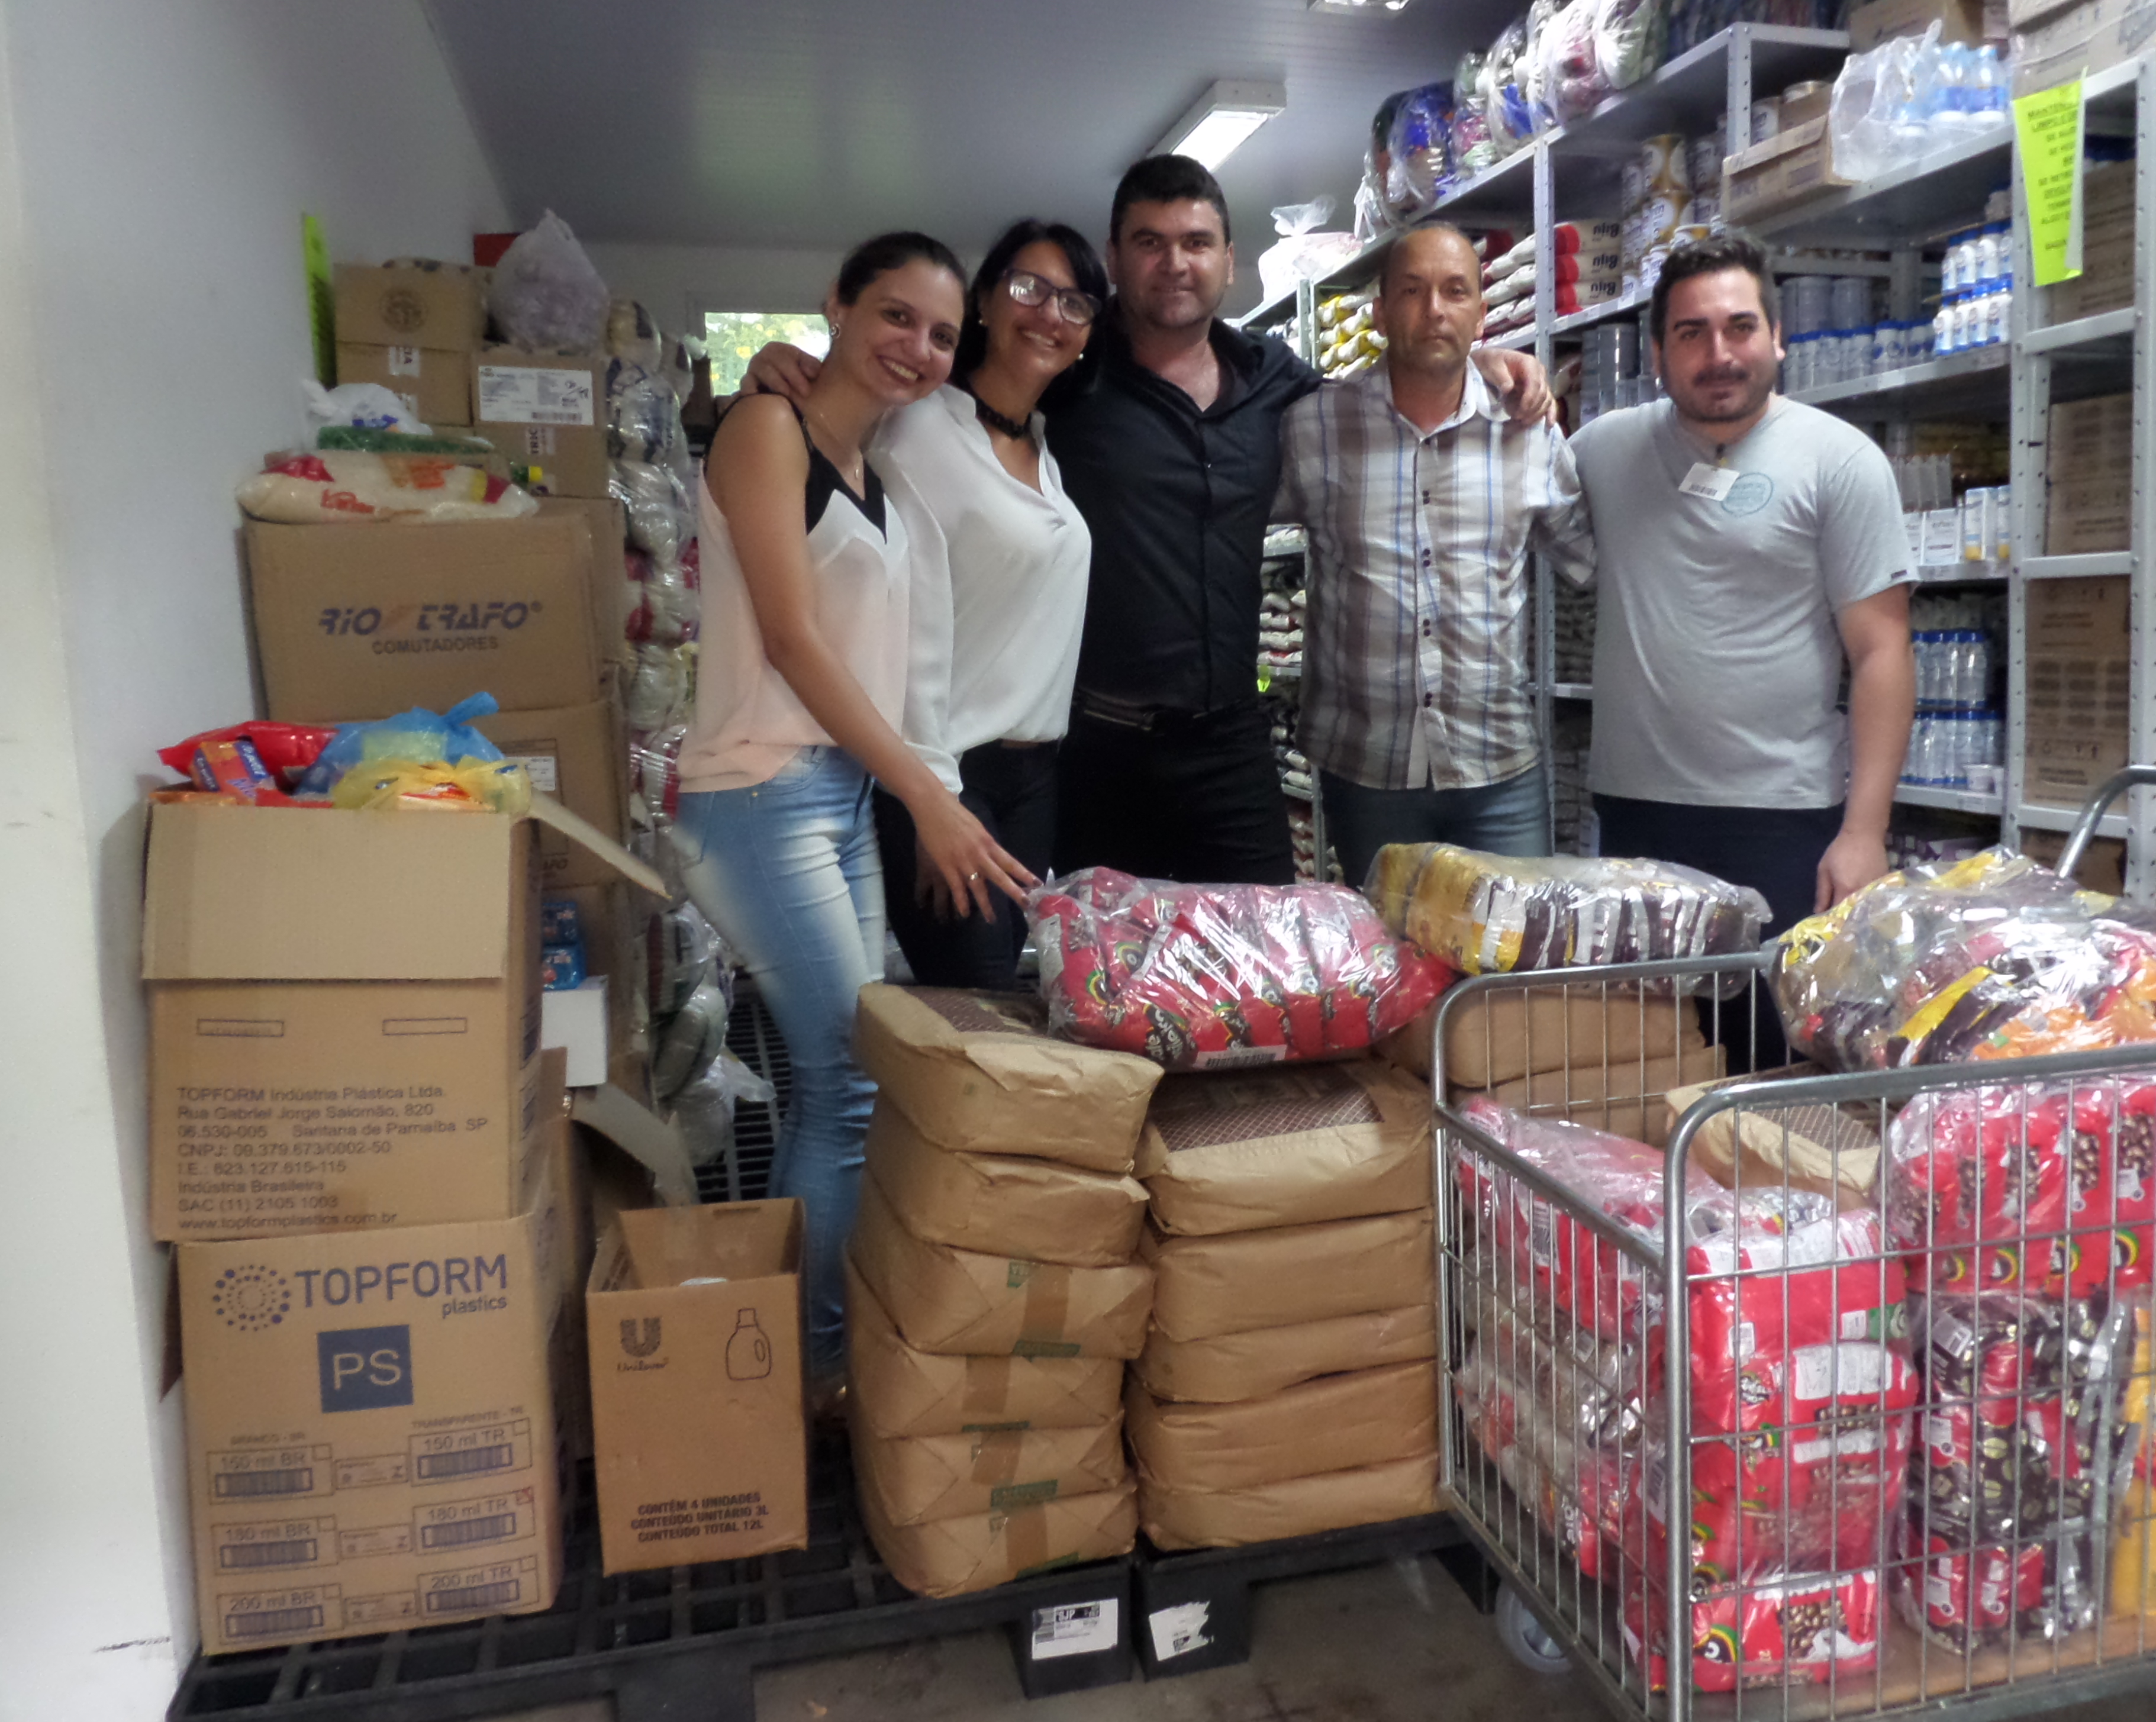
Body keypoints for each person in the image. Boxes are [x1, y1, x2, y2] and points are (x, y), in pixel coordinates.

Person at [749, 154, 1551, 886]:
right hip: (1099, 754)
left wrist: (1479, 361)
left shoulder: (1277, 382)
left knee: (1264, 966)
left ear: (1228, 261)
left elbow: (1386, 398)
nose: (1175, 263)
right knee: (1108, 976)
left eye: (1196, 242)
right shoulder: (1065, 374)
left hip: (1233, 747)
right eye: (1150, 242)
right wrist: (791, 369)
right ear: (1116, 258)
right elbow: (915, 382)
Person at [671, 231, 1032, 1386]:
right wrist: (929, 798)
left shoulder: (872, 468)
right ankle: (812, 1372)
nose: (917, 348)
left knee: (845, 1079)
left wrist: (909, 783)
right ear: (836, 303)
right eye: (895, 315)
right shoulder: (765, 430)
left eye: (941, 335)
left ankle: (802, 1337)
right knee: (848, 1081)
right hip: (754, 794)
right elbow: (790, 640)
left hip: (834, 794)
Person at [1567, 231, 1913, 1056]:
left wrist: (1863, 833)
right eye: (1692, 333)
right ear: (1658, 353)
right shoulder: (1602, 451)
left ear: (1777, 337)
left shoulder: (1840, 461)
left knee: (1767, 1060)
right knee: (1643, 1062)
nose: (1719, 354)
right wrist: (1517, 380)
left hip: (1782, 819)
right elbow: (1512, 468)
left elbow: (1882, 651)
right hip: (1637, 816)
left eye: (1740, 327)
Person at [1272, 222, 1588, 888]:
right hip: (1366, 769)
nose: (1435, 310)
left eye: (1455, 291)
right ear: (1381, 312)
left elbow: (1592, 558)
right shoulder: (1313, 428)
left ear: (1481, 314)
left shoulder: (1527, 432)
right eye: (1413, 291)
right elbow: (1226, 528)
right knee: (1385, 951)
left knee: (1510, 952)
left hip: (1498, 767)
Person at [871, 220, 1107, 988]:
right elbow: (903, 626)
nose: (1049, 314)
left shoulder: (1041, 445)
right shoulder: (918, 429)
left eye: (1074, 303)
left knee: (1002, 994)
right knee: (978, 1003)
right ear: (984, 300)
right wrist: (933, 800)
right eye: (1029, 288)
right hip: (948, 773)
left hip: (1033, 780)